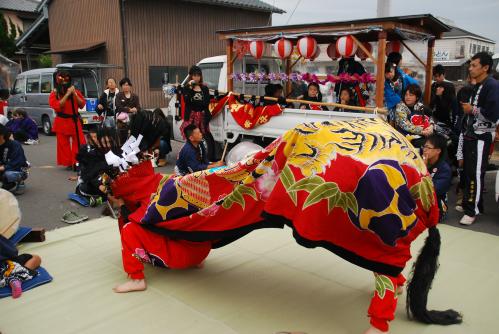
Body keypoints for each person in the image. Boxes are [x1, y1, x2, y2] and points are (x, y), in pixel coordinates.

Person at [456, 52, 499, 225]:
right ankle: (474, 205)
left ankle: (471, 210)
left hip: (481, 136)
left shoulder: (492, 86)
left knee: (475, 173)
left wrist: (471, 110)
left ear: (485, 67)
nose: (470, 68)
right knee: (469, 173)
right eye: (470, 65)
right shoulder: (479, 85)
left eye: (474, 65)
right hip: (471, 134)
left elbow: (493, 115)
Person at [48, 71, 87, 170]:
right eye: (62, 79)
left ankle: (77, 161)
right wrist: (67, 94)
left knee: (79, 142)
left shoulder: (76, 92)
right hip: (61, 121)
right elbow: (57, 106)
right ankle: (68, 162)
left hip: (74, 120)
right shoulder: (54, 93)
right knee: (63, 144)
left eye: (66, 79)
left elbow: (82, 104)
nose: (65, 81)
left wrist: (74, 94)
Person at [75, 127, 117, 202]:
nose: (107, 144)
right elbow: (91, 172)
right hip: (92, 183)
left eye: (109, 142)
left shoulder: (111, 151)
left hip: (105, 179)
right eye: (104, 142)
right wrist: (99, 184)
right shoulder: (91, 153)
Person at [423, 135, 452, 222]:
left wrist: (423, 169)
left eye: (428, 147)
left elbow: (435, 189)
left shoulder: (444, 168)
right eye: (424, 146)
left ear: (438, 151)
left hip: (436, 202)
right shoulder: (420, 162)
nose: (424, 149)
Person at [0, 124, 29, 193]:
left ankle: (20, 182)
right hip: (3, 167)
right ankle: (8, 184)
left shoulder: (14, 145)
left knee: (8, 175)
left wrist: (2, 167)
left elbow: (17, 162)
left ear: (2, 135)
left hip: (17, 168)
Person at [115, 77, 140, 145]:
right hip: (122, 122)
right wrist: (129, 109)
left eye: (127, 85)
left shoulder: (135, 96)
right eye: (123, 85)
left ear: (130, 85)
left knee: (133, 139)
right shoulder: (119, 95)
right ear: (121, 86)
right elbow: (118, 107)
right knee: (123, 139)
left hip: (133, 120)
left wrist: (136, 109)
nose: (125, 86)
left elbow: (138, 107)